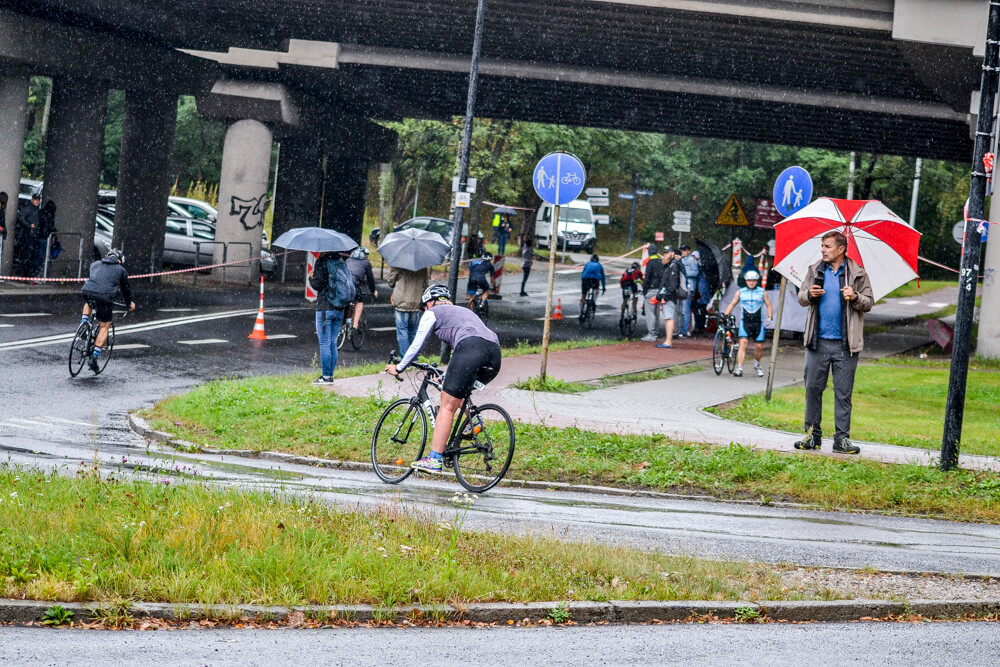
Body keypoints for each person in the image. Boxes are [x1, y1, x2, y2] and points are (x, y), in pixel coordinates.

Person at [385, 284, 502, 474]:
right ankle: (474, 421)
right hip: (494, 354)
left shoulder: (433, 313)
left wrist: (399, 367)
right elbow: (467, 351)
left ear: (429, 302)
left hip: (470, 348)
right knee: (455, 388)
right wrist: (446, 376)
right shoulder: (462, 311)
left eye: (424, 307)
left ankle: (434, 459)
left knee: (447, 406)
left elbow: (417, 346)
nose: (425, 310)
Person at [793, 231, 873, 455]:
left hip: (845, 345)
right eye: (822, 246)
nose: (823, 250)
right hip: (817, 342)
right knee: (812, 389)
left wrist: (855, 297)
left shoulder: (857, 273)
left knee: (843, 393)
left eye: (827, 246)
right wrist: (809, 294)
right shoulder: (814, 270)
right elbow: (800, 297)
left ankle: (841, 439)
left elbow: (869, 302)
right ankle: (812, 436)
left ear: (841, 249)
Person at [81, 248, 135, 372]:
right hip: (105, 297)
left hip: (87, 291)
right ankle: (94, 358)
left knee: (89, 301)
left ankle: (84, 323)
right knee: (104, 327)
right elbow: (126, 290)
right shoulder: (121, 270)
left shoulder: (95, 264)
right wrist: (129, 303)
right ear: (119, 261)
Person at [308, 251, 355, 385]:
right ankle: (330, 375)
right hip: (339, 308)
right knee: (333, 343)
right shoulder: (340, 261)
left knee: (324, 343)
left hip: (325, 308)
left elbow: (318, 284)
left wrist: (311, 277)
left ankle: (326, 376)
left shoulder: (322, 262)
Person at [723, 269, 773, 377]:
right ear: (746, 281)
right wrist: (725, 315)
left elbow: (769, 305)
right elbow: (732, 304)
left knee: (759, 346)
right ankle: (739, 368)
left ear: (757, 281)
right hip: (744, 322)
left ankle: (757, 364)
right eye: (749, 280)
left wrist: (770, 317)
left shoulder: (762, 292)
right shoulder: (740, 292)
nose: (751, 282)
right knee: (743, 343)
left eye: (754, 280)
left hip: (758, 323)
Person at [388, 264, 431, 355]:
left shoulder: (399, 263)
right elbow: (426, 285)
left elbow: (391, 283)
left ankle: (405, 359)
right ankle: (414, 358)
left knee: (402, 332)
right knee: (413, 332)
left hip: (401, 302)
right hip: (416, 302)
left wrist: (392, 270)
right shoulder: (422, 264)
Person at [653, 246, 681, 349]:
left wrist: (666, 296)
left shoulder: (674, 266)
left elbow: (672, 284)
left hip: (669, 297)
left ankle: (668, 341)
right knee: (667, 318)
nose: (665, 254)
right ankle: (668, 340)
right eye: (664, 252)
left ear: (672, 253)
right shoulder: (670, 265)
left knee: (669, 318)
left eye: (667, 252)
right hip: (668, 295)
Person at [345, 247, 378, 332]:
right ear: (365, 255)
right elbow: (371, 279)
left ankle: (346, 322)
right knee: (359, 302)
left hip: (344, 285)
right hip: (354, 285)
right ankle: (355, 325)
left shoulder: (348, 260)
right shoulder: (366, 263)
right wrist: (373, 290)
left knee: (348, 302)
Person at [640, 243, 665, 342]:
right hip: (659, 291)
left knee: (650, 313)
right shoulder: (661, 262)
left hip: (651, 290)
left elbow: (647, 278)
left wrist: (645, 290)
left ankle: (651, 334)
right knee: (656, 313)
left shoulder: (650, 263)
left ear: (649, 252)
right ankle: (656, 332)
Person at [15, 193, 40, 277]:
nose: (37, 201)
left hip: (33, 235)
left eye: (38, 199)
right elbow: (20, 217)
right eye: (36, 199)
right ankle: (21, 274)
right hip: (27, 236)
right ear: (32, 200)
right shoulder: (28, 208)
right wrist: (29, 225)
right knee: (25, 256)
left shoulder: (36, 210)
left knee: (29, 257)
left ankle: (26, 275)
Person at [678, 245, 699, 338]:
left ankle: (684, 330)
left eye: (684, 250)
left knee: (685, 310)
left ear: (688, 251)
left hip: (689, 288)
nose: (682, 252)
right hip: (682, 287)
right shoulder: (682, 260)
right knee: (681, 310)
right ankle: (681, 329)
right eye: (681, 250)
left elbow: (696, 272)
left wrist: (684, 273)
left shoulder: (691, 260)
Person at [34, 200, 57, 277]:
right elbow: (49, 227)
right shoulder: (50, 215)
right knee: (40, 257)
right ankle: (36, 274)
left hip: (38, 236)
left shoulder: (41, 213)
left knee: (36, 256)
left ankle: (34, 273)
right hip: (44, 237)